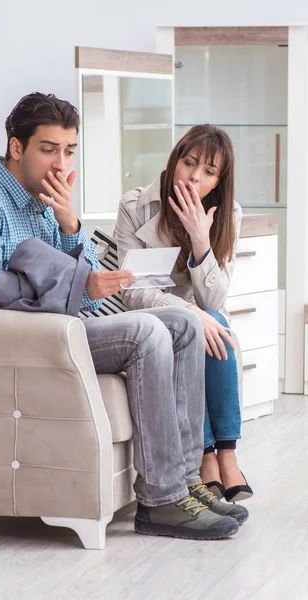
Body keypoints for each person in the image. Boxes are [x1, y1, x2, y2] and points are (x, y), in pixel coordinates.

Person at [0, 93, 248, 540]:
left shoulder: (46, 202)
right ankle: (161, 500)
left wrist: (71, 228)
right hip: (1, 342)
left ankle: (188, 481)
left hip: (56, 328)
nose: (61, 163)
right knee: (146, 333)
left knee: (185, 323)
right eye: (48, 149)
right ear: (16, 147)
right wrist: (76, 281)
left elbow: (97, 296)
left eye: (69, 151)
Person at [114, 124, 253, 504]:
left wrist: (200, 238)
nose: (194, 176)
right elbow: (133, 292)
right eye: (189, 163)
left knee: (217, 322)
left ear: (219, 181)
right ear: (175, 160)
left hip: (206, 320)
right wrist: (191, 312)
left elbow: (216, 297)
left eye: (208, 172)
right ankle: (207, 456)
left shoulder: (229, 213)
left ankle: (226, 454)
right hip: (154, 316)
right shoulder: (134, 205)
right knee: (205, 324)